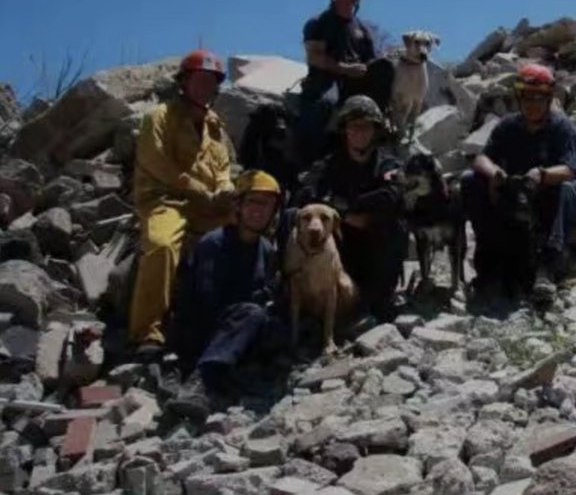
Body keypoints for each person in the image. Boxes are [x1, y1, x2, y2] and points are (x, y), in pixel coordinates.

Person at [129, 50, 236, 359]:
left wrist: (225, 189)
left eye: (210, 82)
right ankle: (147, 330)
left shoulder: (216, 126)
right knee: (162, 245)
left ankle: (232, 316)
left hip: (207, 205)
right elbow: (156, 162)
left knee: (243, 233)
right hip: (165, 199)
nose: (205, 88)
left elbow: (224, 168)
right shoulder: (159, 116)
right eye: (199, 80)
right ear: (184, 82)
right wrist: (199, 189)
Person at [463, 64, 576, 301]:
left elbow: (570, 169)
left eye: (539, 98)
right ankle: (489, 258)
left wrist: (543, 175)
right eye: (527, 98)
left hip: (553, 197)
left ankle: (547, 268)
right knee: (471, 181)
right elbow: (482, 157)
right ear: (519, 98)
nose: (532, 104)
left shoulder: (561, 127)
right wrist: (494, 173)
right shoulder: (508, 125)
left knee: (564, 189)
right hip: (519, 197)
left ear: (548, 98)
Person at [166, 170, 284, 419]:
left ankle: (235, 373)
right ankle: (200, 381)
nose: (259, 211)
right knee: (251, 314)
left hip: (238, 326)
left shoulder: (264, 248)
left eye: (267, 206)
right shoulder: (214, 243)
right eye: (253, 202)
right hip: (202, 328)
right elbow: (205, 301)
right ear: (238, 205)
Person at [292, 95, 406, 318]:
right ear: (345, 130)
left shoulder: (388, 164)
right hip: (340, 244)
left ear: (375, 131)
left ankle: (380, 298)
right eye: (354, 127)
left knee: (395, 224)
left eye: (366, 127)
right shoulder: (329, 165)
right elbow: (308, 194)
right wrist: (346, 215)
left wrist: (344, 204)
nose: (360, 133)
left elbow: (391, 195)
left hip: (377, 246)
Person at [296, 0, 396, 164]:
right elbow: (315, 57)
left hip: (355, 81)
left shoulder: (363, 28)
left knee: (385, 67)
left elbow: (371, 59)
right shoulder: (319, 23)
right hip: (326, 79)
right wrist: (345, 69)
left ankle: (380, 131)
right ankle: (308, 160)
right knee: (324, 103)